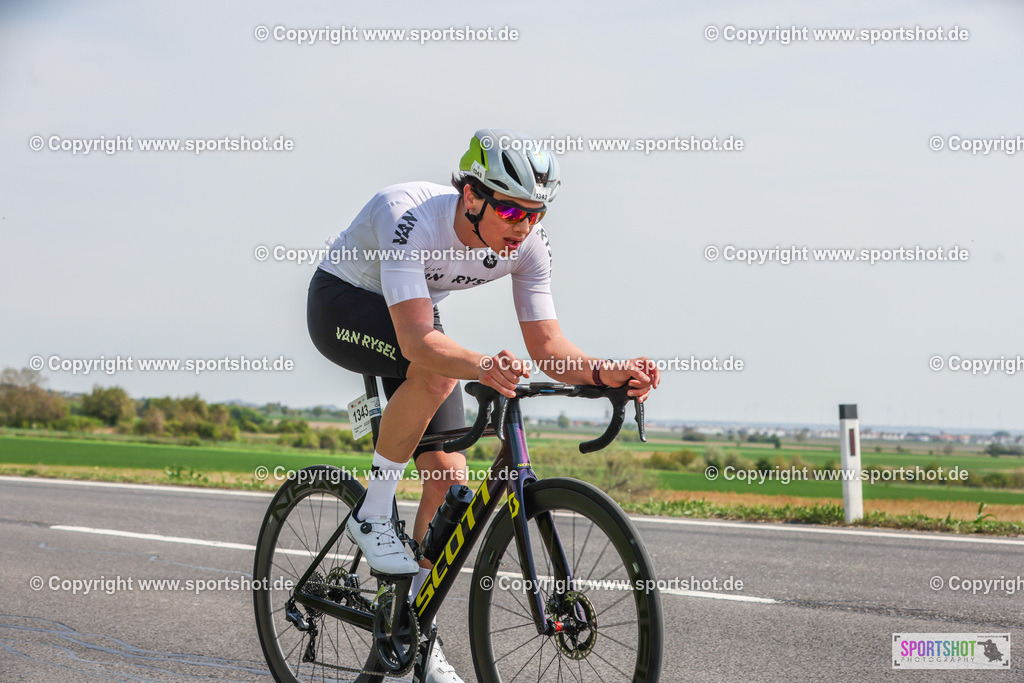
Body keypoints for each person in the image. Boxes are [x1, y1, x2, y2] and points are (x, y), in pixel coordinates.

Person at [307, 128, 659, 683]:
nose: (525, 227)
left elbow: (547, 346)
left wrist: (603, 372)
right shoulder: (409, 218)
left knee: (448, 475)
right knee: (434, 373)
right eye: (514, 211)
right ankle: (372, 513)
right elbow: (418, 344)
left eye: (536, 214)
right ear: (472, 197)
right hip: (345, 304)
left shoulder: (527, 245)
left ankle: (413, 635)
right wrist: (481, 365)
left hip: (414, 311)